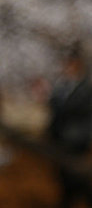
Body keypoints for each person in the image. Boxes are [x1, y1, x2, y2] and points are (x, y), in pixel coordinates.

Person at [47, 46, 92, 207]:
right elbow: (54, 109)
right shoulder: (61, 87)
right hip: (60, 139)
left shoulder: (86, 88)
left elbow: (81, 112)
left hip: (76, 140)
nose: (67, 67)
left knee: (77, 177)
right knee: (65, 178)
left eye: (70, 64)